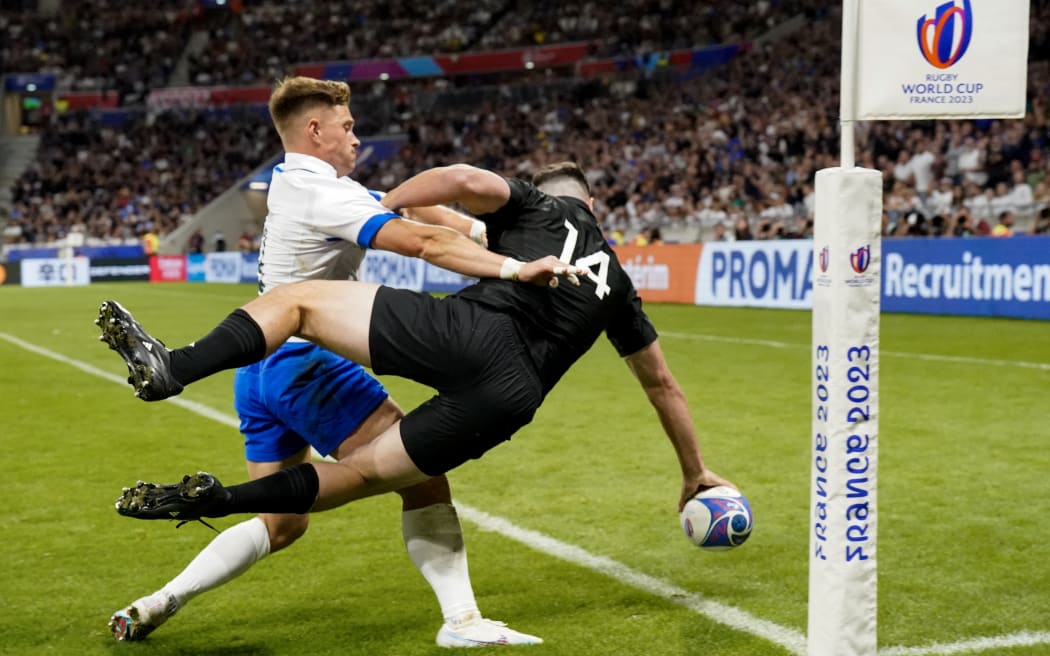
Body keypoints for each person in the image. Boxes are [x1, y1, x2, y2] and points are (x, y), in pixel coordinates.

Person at [99, 162, 732, 569]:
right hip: (513, 398)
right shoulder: (619, 285)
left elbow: (459, 179)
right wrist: (694, 470)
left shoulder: (538, 207)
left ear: (554, 193)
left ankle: (174, 367)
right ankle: (221, 498)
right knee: (361, 474)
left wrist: (377, 202)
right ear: (596, 207)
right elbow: (663, 386)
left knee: (293, 300)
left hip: (473, 334)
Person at [105, 76, 549, 648]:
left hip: (259, 372)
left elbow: (405, 206)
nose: (357, 137)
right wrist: (513, 268)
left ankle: (157, 602)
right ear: (314, 130)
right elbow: (420, 243)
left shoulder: (301, 182)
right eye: (347, 126)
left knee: (283, 523)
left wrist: (483, 228)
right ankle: (463, 621)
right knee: (423, 478)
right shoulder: (325, 193)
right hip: (308, 365)